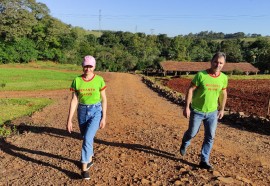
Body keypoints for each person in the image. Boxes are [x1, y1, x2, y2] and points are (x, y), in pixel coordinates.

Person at [180, 52, 228, 170]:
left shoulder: (224, 78)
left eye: (221, 63)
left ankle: (204, 160)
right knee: (192, 133)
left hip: (212, 113)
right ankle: (185, 142)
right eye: (216, 61)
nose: (218, 64)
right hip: (197, 111)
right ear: (211, 62)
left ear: (224, 64)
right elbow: (190, 90)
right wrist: (187, 107)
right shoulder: (201, 75)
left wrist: (222, 109)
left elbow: (223, 93)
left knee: (210, 136)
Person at [66, 55, 107, 180]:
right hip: (82, 111)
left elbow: (104, 99)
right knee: (86, 137)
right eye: (85, 66)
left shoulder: (99, 80)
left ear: (94, 67)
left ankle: (84, 168)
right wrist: (69, 120)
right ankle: (89, 159)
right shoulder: (77, 80)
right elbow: (74, 100)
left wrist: (104, 116)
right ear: (82, 66)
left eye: (90, 66)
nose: (88, 69)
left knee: (87, 138)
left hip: (96, 110)